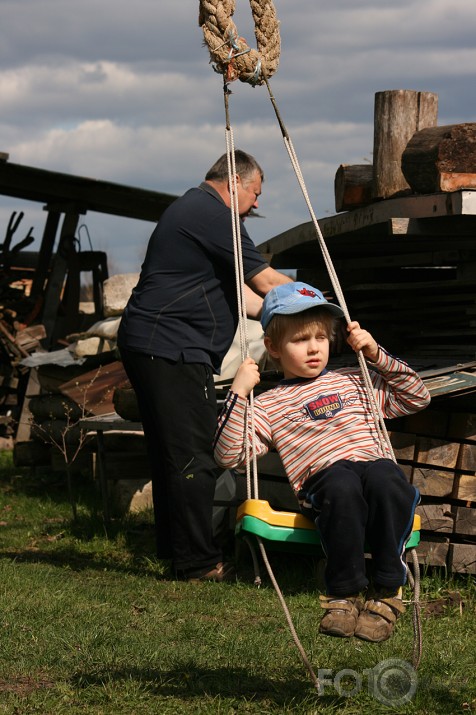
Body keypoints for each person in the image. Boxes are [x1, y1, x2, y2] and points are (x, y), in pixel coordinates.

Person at [214, 281, 430, 641]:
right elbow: (228, 454)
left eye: (320, 338)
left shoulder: (355, 380)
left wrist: (376, 354)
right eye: (300, 340)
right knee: (343, 484)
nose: (314, 348)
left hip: (372, 465)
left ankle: (388, 590)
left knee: (388, 482)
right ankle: (342, 596)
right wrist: (238, 392)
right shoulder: (267, 405)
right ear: (273, 347)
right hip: (325, 480)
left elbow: (417, 397)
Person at [117, 150, 291, 582]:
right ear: (235, 182)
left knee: (170, 452)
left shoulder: (198, 213)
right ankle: (199, 562)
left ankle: (176, 550)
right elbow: (267, 282)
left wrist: (280, 319)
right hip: (171, 347)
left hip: (155, 343)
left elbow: (251, 300)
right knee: (194, 454)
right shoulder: (213, 215)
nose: (256, 206)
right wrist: (320, 306)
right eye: (255, 194)